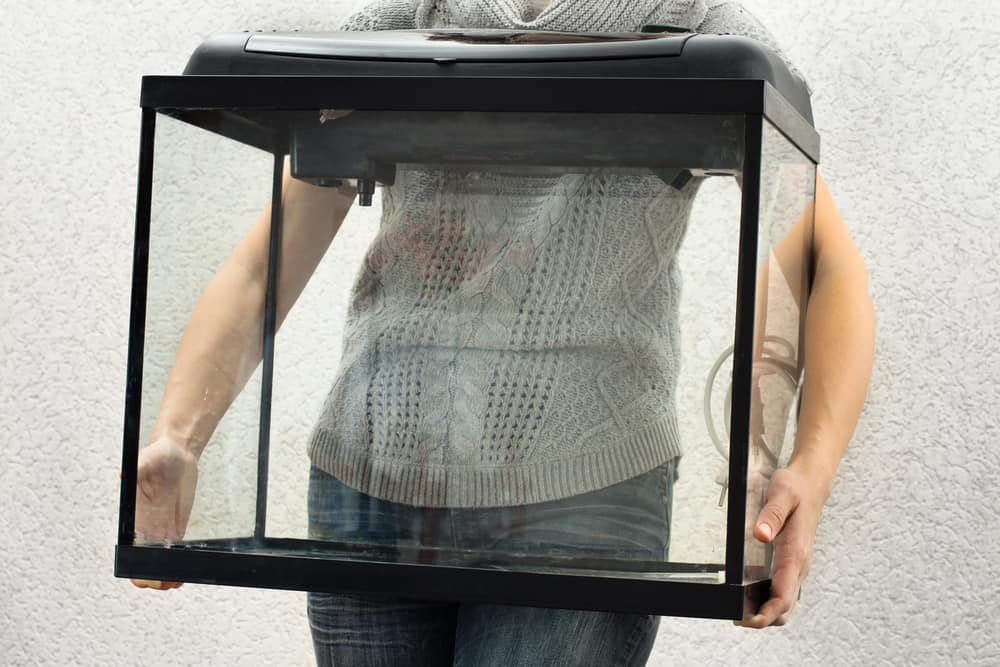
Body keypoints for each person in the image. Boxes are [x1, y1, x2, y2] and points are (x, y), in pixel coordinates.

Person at [131, 0, 875, 665]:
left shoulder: (696, 24)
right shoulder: (405, 20)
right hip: (366, 487)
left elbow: (825, 269)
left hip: (584, 499)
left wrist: (810, 468)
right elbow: (266, 263)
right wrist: (178, 436)